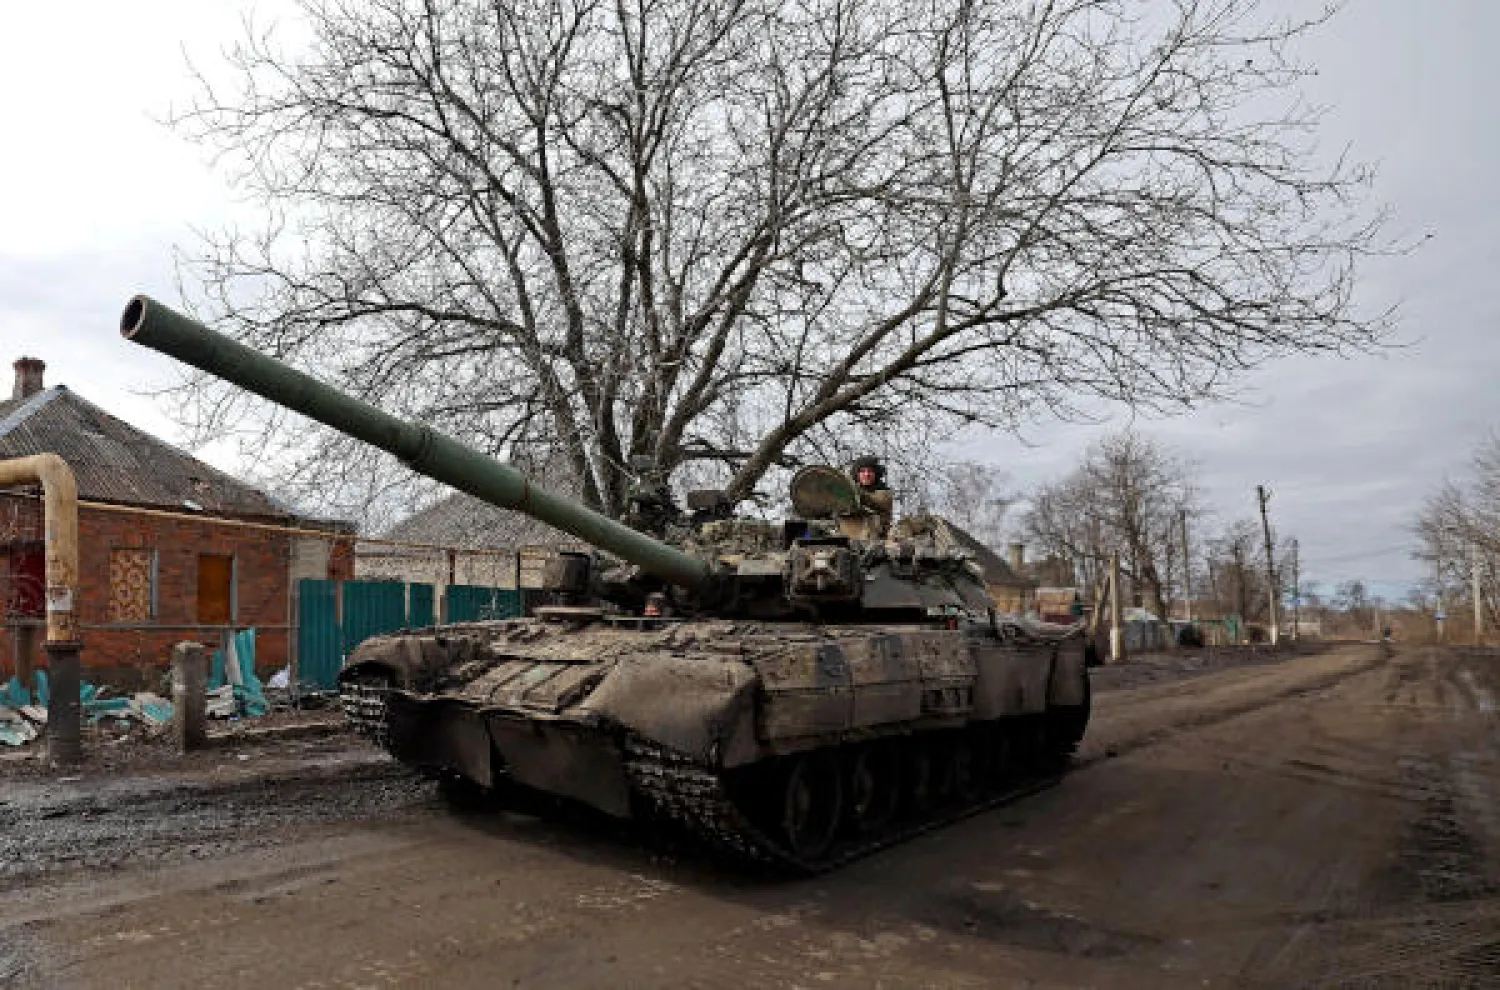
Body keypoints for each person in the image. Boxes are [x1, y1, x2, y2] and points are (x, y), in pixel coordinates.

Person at [838, 455, 894, 541]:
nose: (866, 474)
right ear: (856, 474)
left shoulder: (884, 493)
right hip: (846, 539)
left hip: (875, 541)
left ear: (876, 473)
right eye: (862, 471)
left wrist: (852, 490)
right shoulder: (850, 493)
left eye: (870, 471)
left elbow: (875, 502)